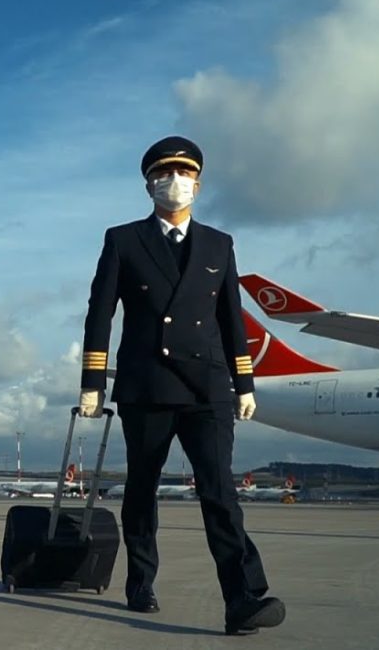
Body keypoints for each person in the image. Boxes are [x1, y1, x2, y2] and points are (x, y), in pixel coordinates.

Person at [77, 136, 285, 635]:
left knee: (220, 493)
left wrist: (244, 381)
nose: (176, 182)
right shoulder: (123, 240)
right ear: (149, 184)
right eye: (165, 174)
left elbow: (232, 318)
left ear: (199, 182)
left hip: (207, 387)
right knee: (142, 490)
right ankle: (141, 581)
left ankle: (243, 598)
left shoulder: (219, 244)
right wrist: (92, 381)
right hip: (146, 385)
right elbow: (100, 312)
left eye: (185, 174)